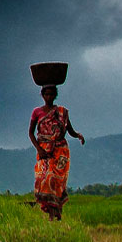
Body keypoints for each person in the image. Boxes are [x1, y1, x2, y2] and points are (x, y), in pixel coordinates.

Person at [28, 85, 84, 220]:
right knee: (44, 177)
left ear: (55, 95)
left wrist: (78, 135)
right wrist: (39, 149)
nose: (49, 97)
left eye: (51, 94)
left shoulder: (62, 112)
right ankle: (51, 211)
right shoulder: (37, 112)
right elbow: (30, 133)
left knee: (56, 180)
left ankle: (55, 213)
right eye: (46, 94)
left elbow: (69, 130)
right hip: (44, 150)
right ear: (42, 95)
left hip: (60, 150)